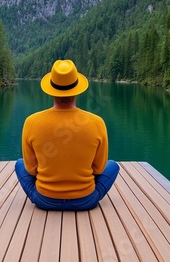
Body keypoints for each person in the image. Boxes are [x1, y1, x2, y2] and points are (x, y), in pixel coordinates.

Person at [15, 59, 119, 211]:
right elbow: (98, 169)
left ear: (51, 89)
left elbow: (31, 170)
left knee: (19, 164)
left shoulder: (31, 122)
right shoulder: (97, 122)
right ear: (77, 89)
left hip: (45, 200)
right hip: (85, 201)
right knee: (113, 166)